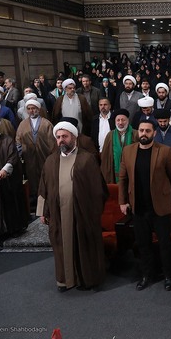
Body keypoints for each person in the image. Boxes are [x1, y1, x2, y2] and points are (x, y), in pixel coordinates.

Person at [37, 120, 107, 292]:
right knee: (61, 246)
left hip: (81, 213)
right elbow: (43, 188)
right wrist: (42, 212)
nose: (61, 140)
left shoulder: (86, 159)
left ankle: (85, 279)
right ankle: (64, 280)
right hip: (58, 214)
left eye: (65, 136)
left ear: (74, 137)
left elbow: (98, 189)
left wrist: (93, 212)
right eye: (58, 137)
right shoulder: (51, 160)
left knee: (83, 246)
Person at [118, 119, 171, 291]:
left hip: (160, 207)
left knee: (165, 244)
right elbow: (122, 178)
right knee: (143, 244)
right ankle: (146, 275)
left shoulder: (165, 151)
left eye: (147, 131)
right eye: (141, 130)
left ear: (154, 133)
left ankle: (168, 276)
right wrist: (122, 201)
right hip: (138, 207)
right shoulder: (128, 151)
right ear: (137, 132)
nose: (144, 134)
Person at [15, 98, 56, 210]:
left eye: (33, 108)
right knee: (32, 179)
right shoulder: (22, 124)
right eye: (29, 109)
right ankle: (35, 202)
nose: (31, 111)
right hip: (29, 158)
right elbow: (18, 141)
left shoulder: (46, 123)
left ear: (38, 109)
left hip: (44, 156)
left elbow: (52, 143)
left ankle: (47, 201)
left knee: (46, 178)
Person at [100, 109, 138, 184]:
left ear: (128, 120)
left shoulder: (136, 134)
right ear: (115, 122)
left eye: (123, 120)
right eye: (118, 120)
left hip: (133, 172)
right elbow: (105, 157)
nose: (120, 123)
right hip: (114, 173)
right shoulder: (110, 135)